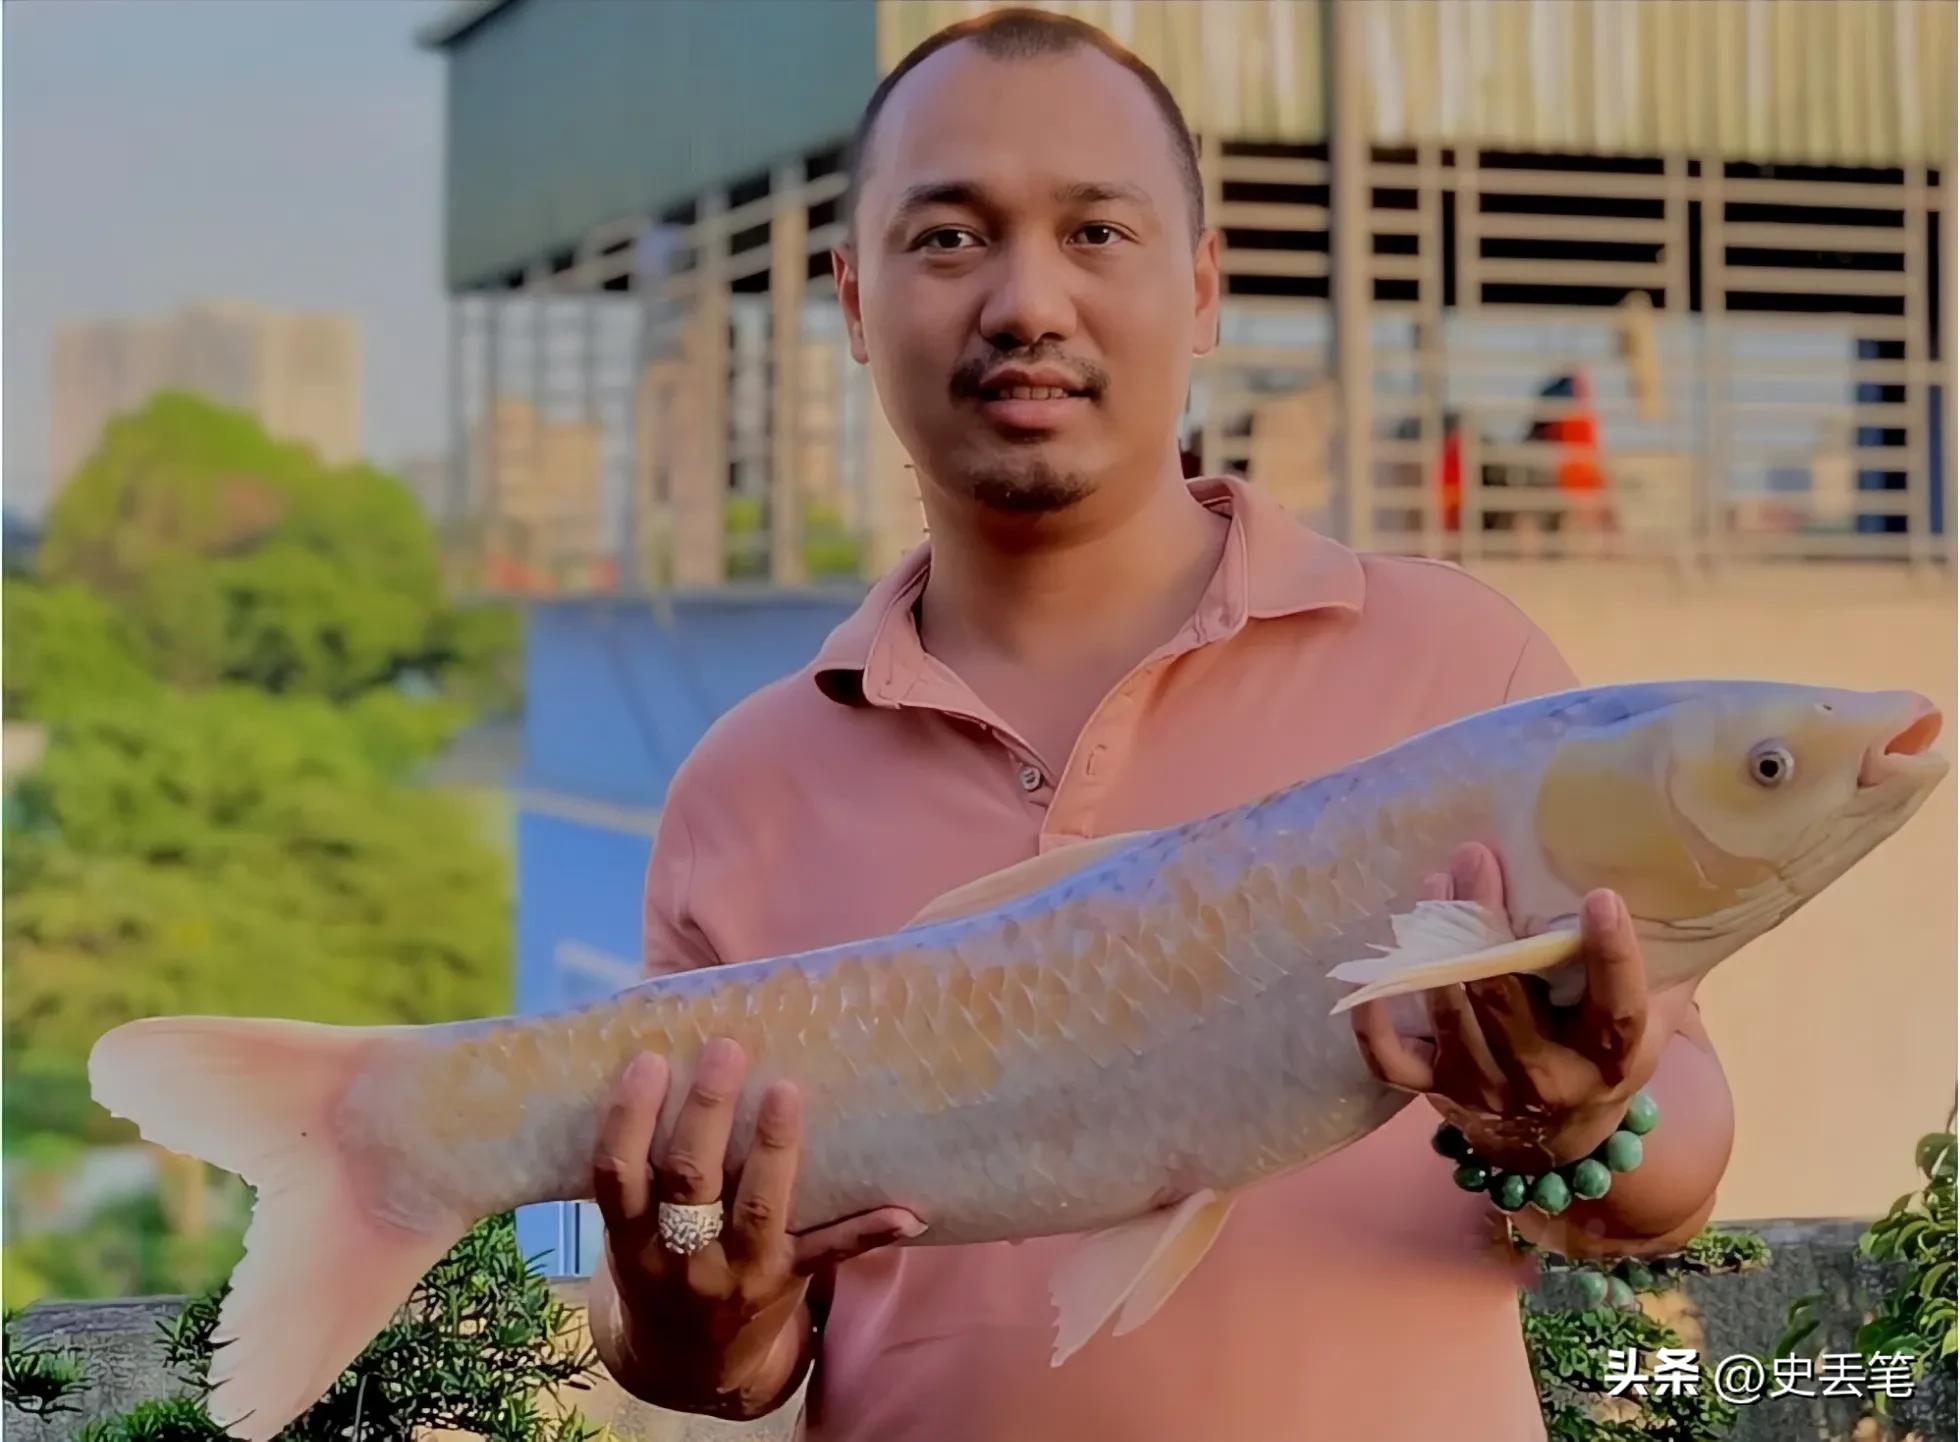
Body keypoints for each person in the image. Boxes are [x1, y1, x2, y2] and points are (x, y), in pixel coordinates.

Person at [586, 10, 1734, 1440]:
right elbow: (690, 1329)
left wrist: (1573, 1126)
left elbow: (1673, 1156)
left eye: (1097, 234)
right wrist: (698, 1299)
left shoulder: (1460, 667)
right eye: (948, 238)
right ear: (854, 299)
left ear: (1202, 285)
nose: (1026, 303)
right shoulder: (746, 785)